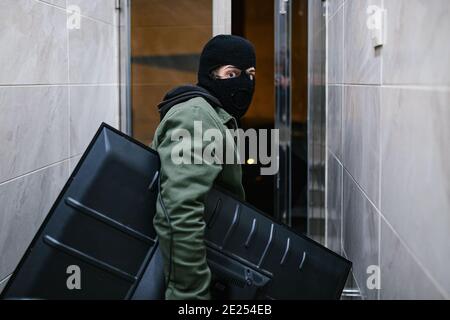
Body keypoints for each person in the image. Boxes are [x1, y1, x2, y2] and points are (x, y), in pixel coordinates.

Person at [151, 35, 256, 300]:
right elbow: (179, 211)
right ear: (211, 75)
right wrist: (191, 296)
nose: (245, 83)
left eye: (251, 75)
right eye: (232, 73)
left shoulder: (216, 116)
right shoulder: (197, 116)